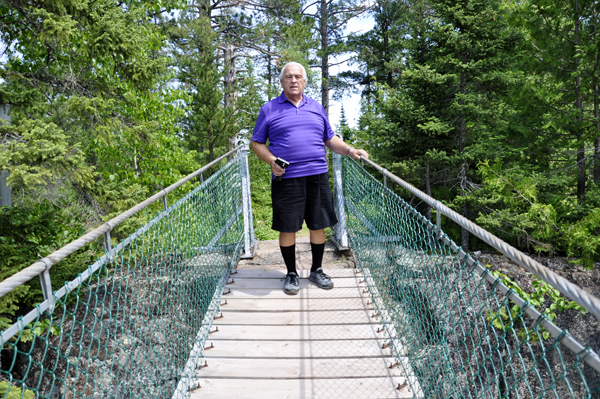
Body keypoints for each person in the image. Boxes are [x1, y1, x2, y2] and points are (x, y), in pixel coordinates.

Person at [251, 62, 369, 295]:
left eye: (298, 77)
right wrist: (271, 161)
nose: (293, 80)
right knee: (288, 227)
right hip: (287, 178)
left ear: (305, 81)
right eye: (288, 77)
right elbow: (256, 142)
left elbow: (330, 139)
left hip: (317, 176)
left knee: (319, 225)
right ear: (281, 82)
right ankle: (291, 274)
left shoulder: (316, 107)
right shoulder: (269, 109)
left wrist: (349, 150)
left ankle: (316, 270)